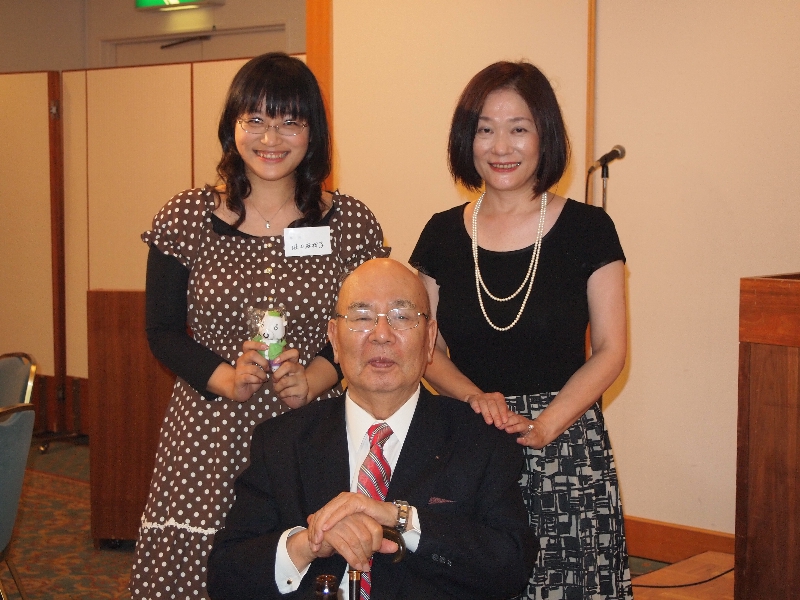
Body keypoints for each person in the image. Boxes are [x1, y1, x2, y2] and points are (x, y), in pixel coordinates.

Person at [129, 52, 388, 599]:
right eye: (256, 119)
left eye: (290, 121)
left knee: (308, 557)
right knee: (200, 573)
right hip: (209, 430)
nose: (271, 138)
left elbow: (365, 326)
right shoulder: (186, 217)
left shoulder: (350, 224)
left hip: (311, 430)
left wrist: (316, 376)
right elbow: (162, 330)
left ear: (313, 133)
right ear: (233, 127)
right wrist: (223, 377)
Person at [409, 61, 633, 599]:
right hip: (469, 437)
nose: (501, 146)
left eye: (519, 128)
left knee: (569, 584)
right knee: (470, 578)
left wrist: (548, 424)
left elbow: (610, 349)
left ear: (544, 135)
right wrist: (476, 398)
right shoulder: (440, 234)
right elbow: (425, 346)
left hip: (566, 440)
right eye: (485, 129)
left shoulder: (589, 229)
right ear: (467, 138)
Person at [206, 258, 537, 600]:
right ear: (334, 339)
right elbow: (226, 578)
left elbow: (510, 569)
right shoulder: (282, 441)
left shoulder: (479, 440)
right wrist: (308, 543)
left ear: (429, 339)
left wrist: (401, 520)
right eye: (362, 317)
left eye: (402, 317)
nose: (381, 335)